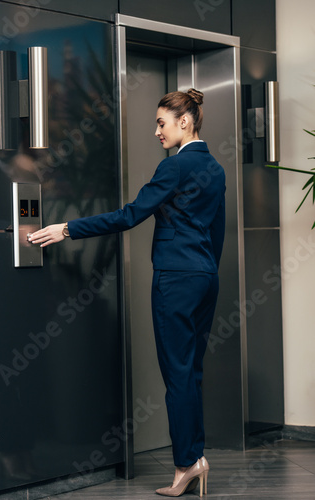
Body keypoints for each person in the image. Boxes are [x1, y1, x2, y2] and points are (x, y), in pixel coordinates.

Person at [29, 88, 226, 497]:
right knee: (192, 372)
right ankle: (195, 458)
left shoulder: (173, 168)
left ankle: (188, 463)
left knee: (177, 374)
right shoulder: (215, 167)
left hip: (175, 278)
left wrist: (67, 228)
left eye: (161, 122)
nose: (157, 130)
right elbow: (217, 232)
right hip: (205, 276)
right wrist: (205, 268)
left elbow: (130, 215)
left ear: (184, 121)